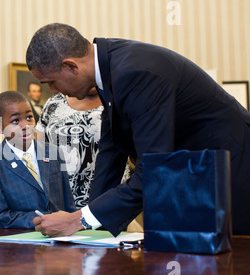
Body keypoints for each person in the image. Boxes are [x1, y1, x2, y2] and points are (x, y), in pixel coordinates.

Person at [26, 23, 250, 236]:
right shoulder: (109, 68)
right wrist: (85, 223)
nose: (54, 91)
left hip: (232, 171)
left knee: (231, 267)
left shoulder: (135, 73)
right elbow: (111, 152)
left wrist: (79, 220)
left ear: (71, 66)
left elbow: (154, 170)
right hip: (198, 172)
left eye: (51, 82)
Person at [0, 91, 75, 228]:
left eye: (29, 117)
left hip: (62, 238)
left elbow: (69, 204)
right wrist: (40, 220)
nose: (25, 125)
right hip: (23, 243)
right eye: (15, 121)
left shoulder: (53, 152)